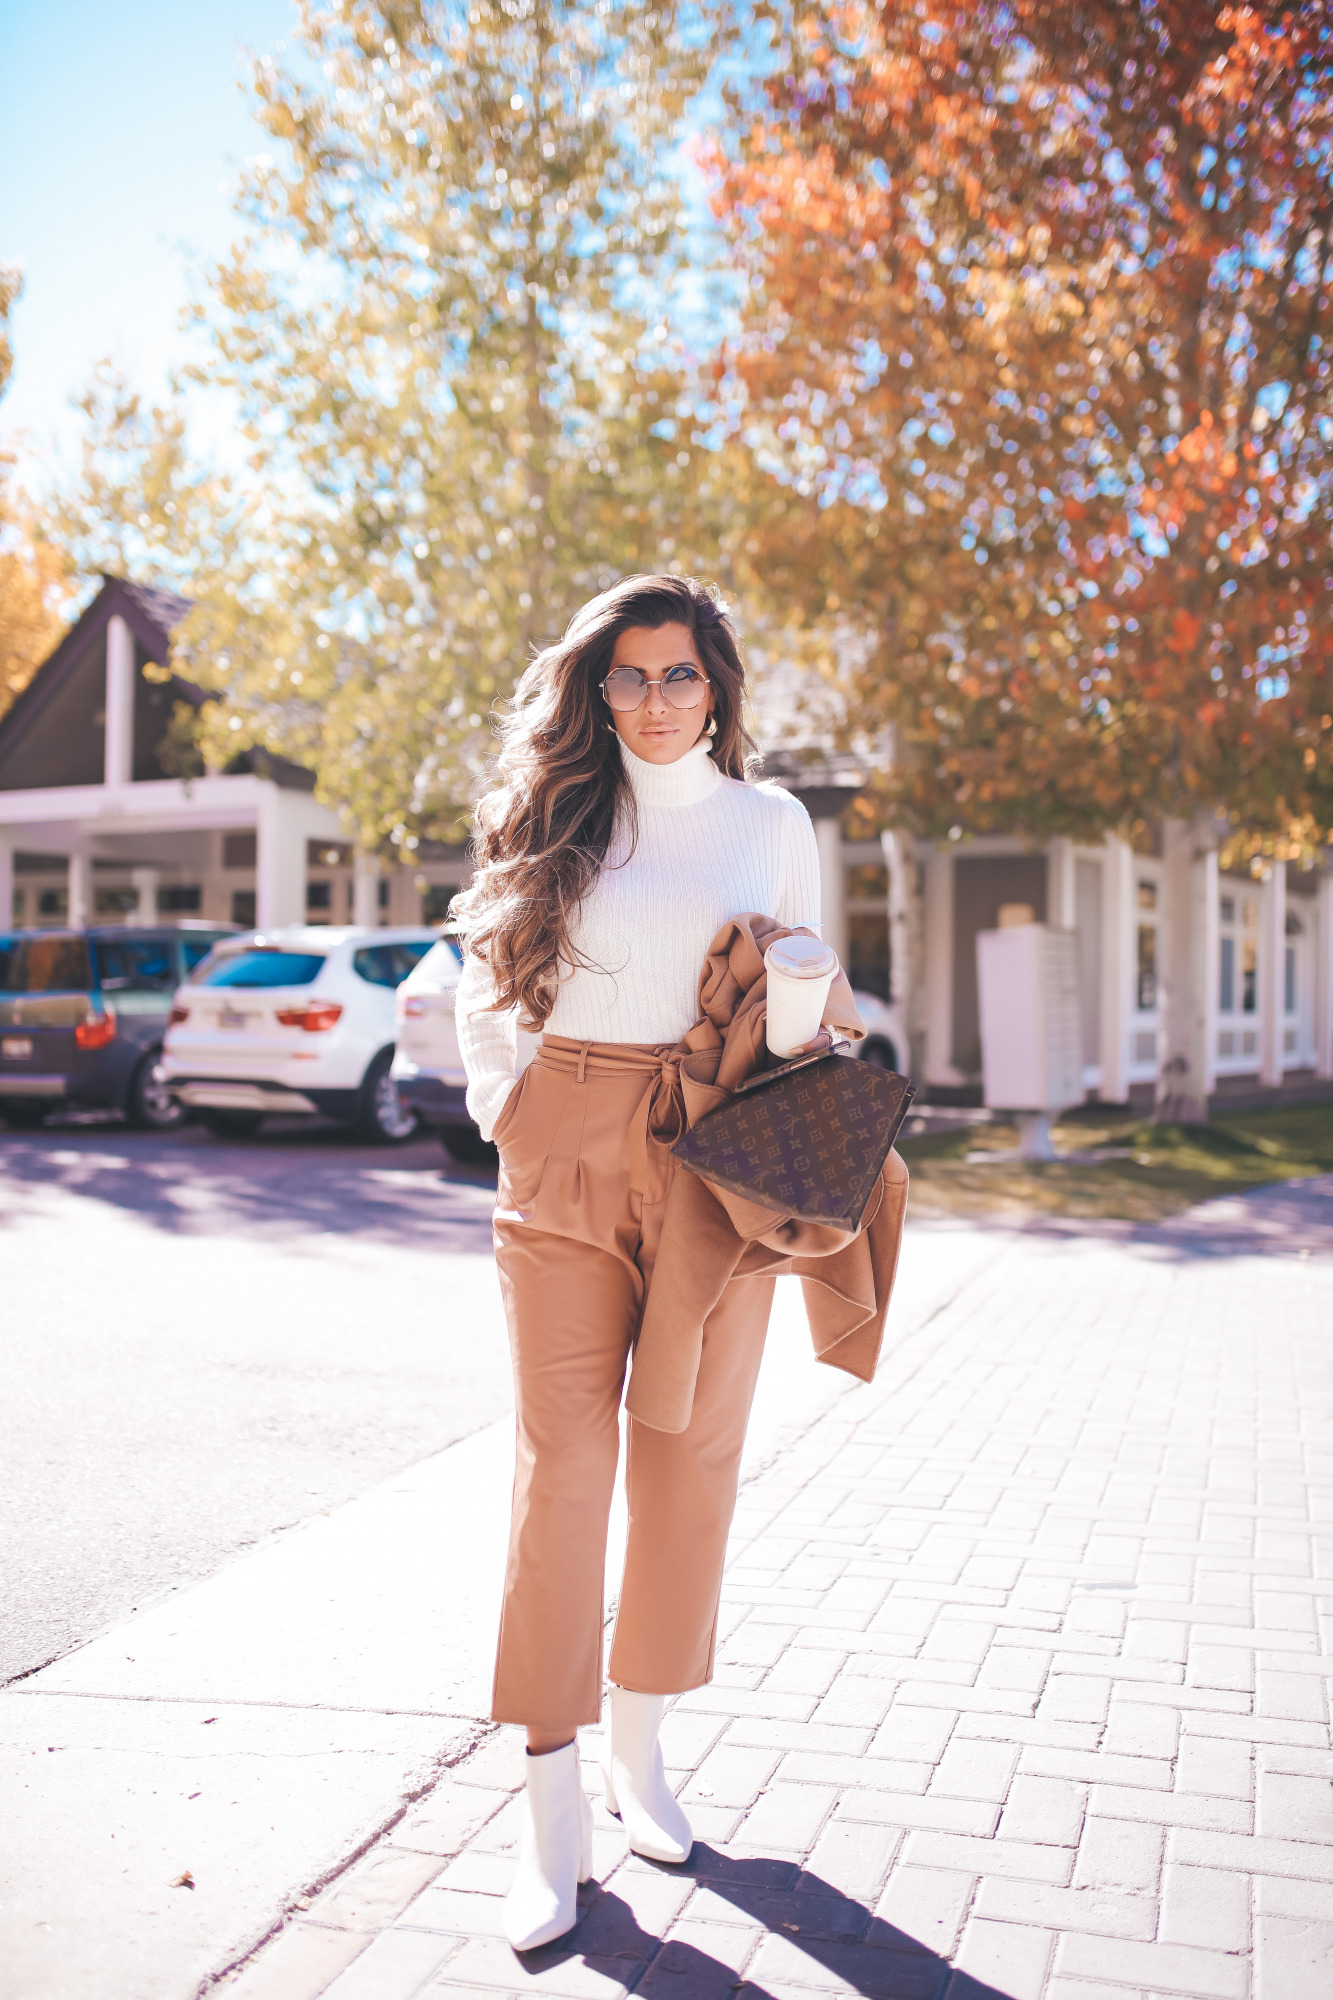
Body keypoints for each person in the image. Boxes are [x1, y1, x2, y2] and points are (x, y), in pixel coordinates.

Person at [452, 573, 822, 1951]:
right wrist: (510, 1108)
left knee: (688, 1456)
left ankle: (641, 1757)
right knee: (564, 1467)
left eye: (679, 675)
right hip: (562, 1143)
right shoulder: (555, 812)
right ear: (592, 689)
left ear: (716, 686)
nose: (654, 701)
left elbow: (800, 1009)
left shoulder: (771, 822)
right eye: (628, 676)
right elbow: (474, 975)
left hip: (710, 1154)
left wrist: (800, 992)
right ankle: (548, 1818)